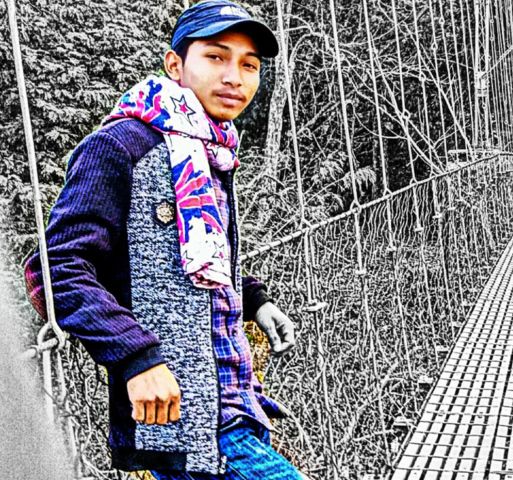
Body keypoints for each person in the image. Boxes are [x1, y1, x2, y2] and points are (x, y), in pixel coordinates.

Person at [23, 1, 304, 478]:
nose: (234, 77)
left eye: (249, 65)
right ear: (175, 64)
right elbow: (53, 271)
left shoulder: (211, 149)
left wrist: (255, 300)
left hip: (238, 402)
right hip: (187, 419)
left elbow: (196, 257)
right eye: (216, 57)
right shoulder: (121, 146)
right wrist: (136, 357)